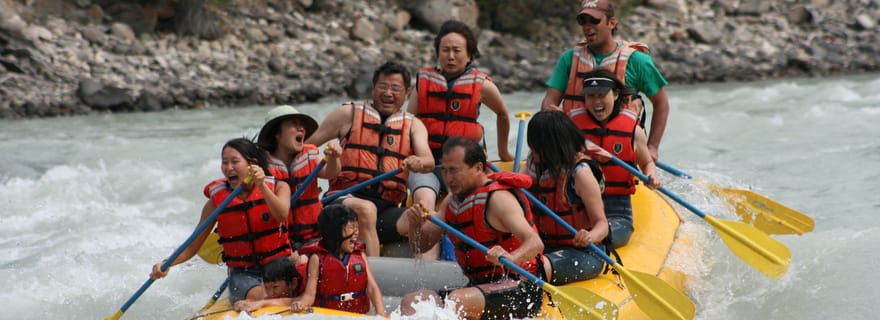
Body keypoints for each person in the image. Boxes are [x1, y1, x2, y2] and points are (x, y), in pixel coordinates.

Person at [399, 137, 545, 320]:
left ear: (477, 168)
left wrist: (511, 257)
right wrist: (415, 225)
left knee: (457, 301)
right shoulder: (451, 203)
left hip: (521, 286)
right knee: (412, 302)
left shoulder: (498, 199)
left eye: (454, 171)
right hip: (479, 286)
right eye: (444, 170)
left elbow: (535, 243)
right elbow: (420, 245)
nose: (448, 178)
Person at [305, 61, 435, 257]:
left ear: (407, 93)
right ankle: (369, 279)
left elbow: (429, 162)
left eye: (395, 88)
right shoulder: (348, 113)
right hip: (341, 202)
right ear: (373, 88)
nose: (388, 93)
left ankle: (428, 277)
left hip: (386, 210)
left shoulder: (414, 125)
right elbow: (307, 146)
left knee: (428, 219)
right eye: (383, 86)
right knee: (366, 209)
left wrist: (418, 162)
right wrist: (326, 162)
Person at [149, 137, 292, 305]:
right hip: (243, 273)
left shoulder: (279, 187)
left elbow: (282, 214)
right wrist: (167, 263)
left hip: (277, 267)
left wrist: (262, 186)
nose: (228, 168)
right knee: (261, 296)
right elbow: (192, 245)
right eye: (225, 162)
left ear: (252, 164)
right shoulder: (216, 203)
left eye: (234, 162)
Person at [407, 20, 514, 219]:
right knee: (424, 203)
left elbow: (503, 114)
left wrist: (504, 152)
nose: (450, 56)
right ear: (438, 52)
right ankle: (427, 238)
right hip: (428, 165)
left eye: (457, 50)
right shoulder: (423, 82)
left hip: (464, 165)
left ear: (469, 55)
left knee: (463, 204)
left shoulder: (482, 85)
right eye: (445, 50)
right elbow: (408, 123)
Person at [540, 0, 670, 162]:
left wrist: (652, 147)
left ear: (612, 23)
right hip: (576, 151)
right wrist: (553, 114)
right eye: (583, 21)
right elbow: (549, 102)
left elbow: (661, 103)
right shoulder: (569, 59)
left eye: (595, 20)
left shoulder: (638, 61)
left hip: (621, 152)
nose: (588, 26)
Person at [570, 69, 660, 248]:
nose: (596, 102)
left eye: (602, 95)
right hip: (580, 208)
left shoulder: (634, 131)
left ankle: (593, 238)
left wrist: (651, 175)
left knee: (603, 237)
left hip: (617, 211)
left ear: (616, 94)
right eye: (590, 96)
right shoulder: (571, 128)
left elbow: (647, 162)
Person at [524, 110, 609, 284]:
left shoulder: (580, 174)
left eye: (536, 145)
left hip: (584, 253)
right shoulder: (533, 164)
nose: (532, 150)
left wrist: (589, 236)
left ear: (551, 145)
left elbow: (602, 224)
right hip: (544, 248)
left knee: (533, 268)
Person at [257, 105, 342, 264]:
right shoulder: (262, 167)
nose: (301, 129)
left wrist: (335, 158)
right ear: (276, 133)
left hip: (312, 237)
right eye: (294, 124)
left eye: (302, 125)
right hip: (279, 242)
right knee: (298, 261)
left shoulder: (310, 154)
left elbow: (332, 173)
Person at [290, 204, 387, 317]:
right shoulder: (317, 259)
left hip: (357, 314)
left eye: (357, 227)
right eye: (352, 227)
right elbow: (310, 295)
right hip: (328, 315)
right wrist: (301, 304)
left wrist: (381, 313)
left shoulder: (360, 255)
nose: (356, 232)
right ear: (335, 231)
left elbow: (372, 288)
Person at [232, 256, 306, 312]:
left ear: (293, 283)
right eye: (266, 288)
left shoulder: (306, 286)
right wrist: (245, 303)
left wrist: (262, 303)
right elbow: (267, 299)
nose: (270, 293)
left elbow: (298, 300)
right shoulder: (275, 294)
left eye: (275, 287)